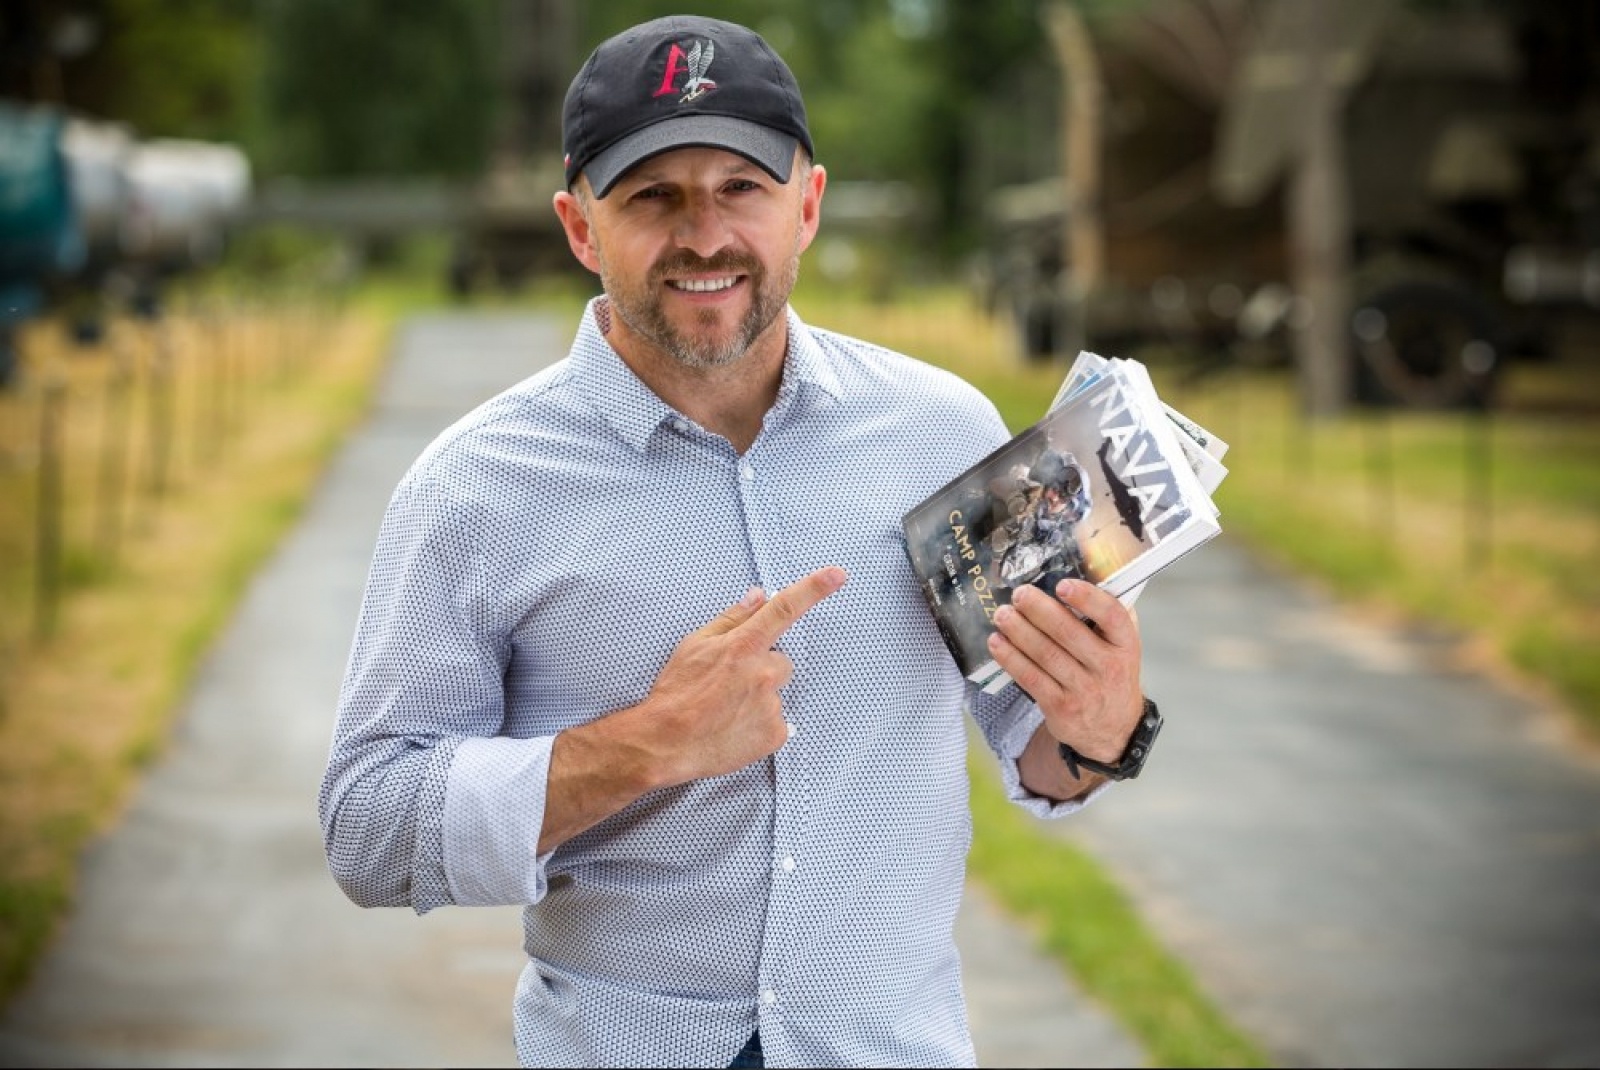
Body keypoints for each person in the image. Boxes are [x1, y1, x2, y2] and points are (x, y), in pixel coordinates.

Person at [319, 14, 1155, 1069]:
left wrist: (1098, 724)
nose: (704, 234)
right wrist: (643, 745)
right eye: (653, 196)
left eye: (740, 188)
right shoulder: (474, 488)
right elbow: (366, 826)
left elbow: (1036, 740)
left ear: (805, 205)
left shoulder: (945, 431)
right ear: (579, 227)